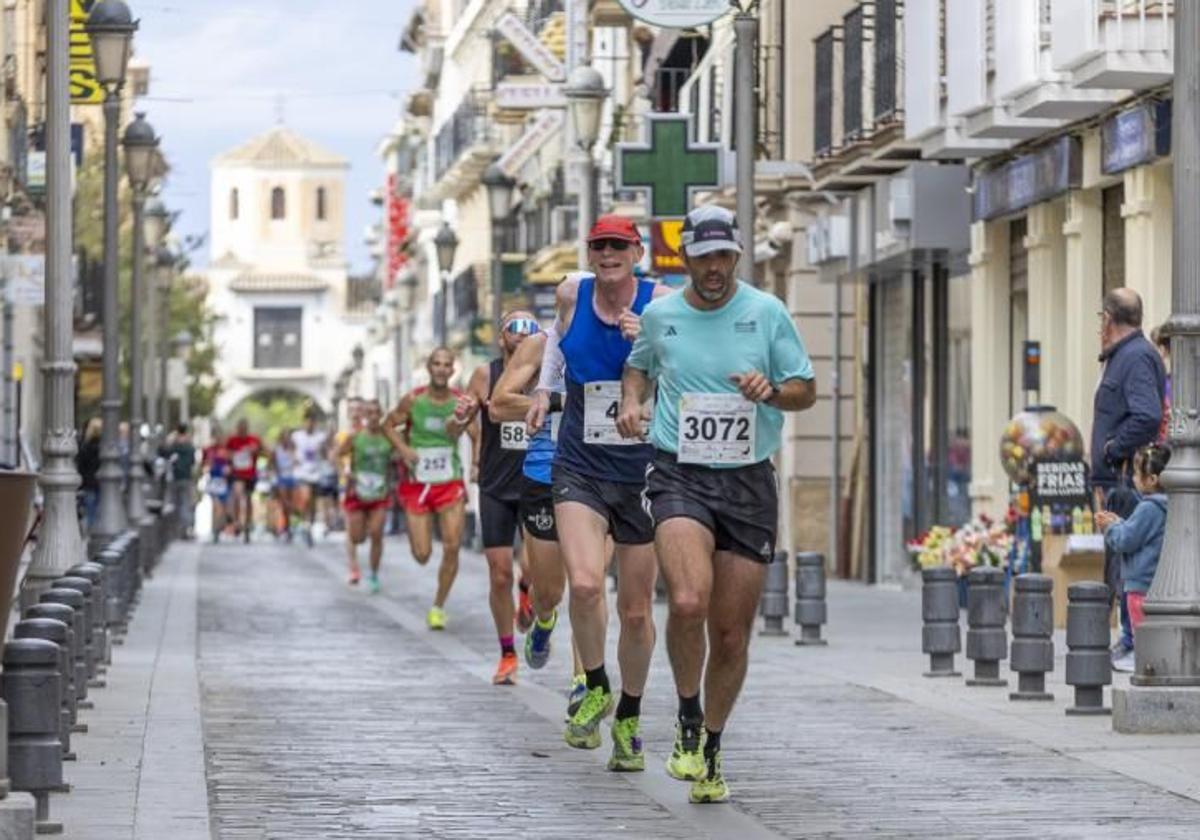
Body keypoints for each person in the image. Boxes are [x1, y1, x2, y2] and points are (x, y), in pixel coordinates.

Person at [620, 204, 816, 803]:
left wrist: (772, 392)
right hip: (679, 472)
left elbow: (805, 390)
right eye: (702, 257)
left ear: (736, 255)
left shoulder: (765, 312)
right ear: (686, 258)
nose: (714, 268)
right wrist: (632, 403)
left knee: (730, 634)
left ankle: (710, 745)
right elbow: (637, 369)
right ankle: (684, 715)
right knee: (685, 599)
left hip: (748, 480)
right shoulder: (660, 316)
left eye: (723, 256)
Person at [547, 214, 672, 768]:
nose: (608, 253)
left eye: (619, 245)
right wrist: (542, 393)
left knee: (638, 610)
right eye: (599, 245)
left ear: (637, 250)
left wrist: (652, 343)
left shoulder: (663, 302)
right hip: (580, 464)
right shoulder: (571, 294)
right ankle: (595, 682)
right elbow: (555, 347)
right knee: (584, 584)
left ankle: (629, 716)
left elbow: (688, 374)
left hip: (643, 472)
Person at [490, 322, 589, 717]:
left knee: (588, 583)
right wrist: (560, 402)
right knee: (550, 591)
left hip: (600, 473)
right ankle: (544, 618)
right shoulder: (541, 344)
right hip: (545, 471)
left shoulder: (629, 333)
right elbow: (498, 405)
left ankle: (586, 679)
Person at [455, 311, 541, 685]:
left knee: (535, 568)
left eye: (530, 329)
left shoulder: (547, 375)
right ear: (502, 337)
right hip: (495, 483)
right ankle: (507, 654)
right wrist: (462, 419)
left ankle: (528, 592)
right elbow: (458, 423)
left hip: (538, 481)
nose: (523, 336)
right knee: (498, 572)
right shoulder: (485, 375)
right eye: (515, 329)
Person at [1092, 288, 1167, 665]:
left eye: (1100, 319)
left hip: (1125, 480)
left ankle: (1130, 641)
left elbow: (1147, 416)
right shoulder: (1127, 356)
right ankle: (1127, 639)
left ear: (1108, 319)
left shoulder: (1135, 357)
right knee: (1122, 560)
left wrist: (1112, 449)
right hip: (1119, 479)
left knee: (1128, 561)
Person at [384, 348, 473, 630]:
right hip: (418, 484)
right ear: (428, 367)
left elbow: (475, 433)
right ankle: (426, 544)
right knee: (422, 555)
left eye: (447, 365)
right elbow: (387, 424)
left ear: (453, 370)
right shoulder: (413, 400)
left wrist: (477, 463)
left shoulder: (461, 401)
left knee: (453, 545)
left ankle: (438, 606)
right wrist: (403, 447)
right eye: (437, 363)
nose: (441, 369)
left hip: (450, 481)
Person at [1096, 443, 1171, 673]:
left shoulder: (1148, 508)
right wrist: (1120, 522)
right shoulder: (1168, 506)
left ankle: (1142, 665)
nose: (1134, 479)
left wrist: (1109, 528)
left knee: (1140, 633)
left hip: (1139, 584)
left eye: (1138, 474)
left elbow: (1127, 540)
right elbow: (1137, 533)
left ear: (1151, 479)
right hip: (1156, 582)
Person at [337, 400, 397, 592]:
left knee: (377, 533)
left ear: (380, 415)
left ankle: (373, 574)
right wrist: (345, 471)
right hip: (358, 493)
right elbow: (337, 455)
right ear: (363, 416)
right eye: (368, 413)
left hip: (379, 493)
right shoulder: (355, 437)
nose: (372, 417)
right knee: (357, 537)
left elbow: (397, 456)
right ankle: (356, 561)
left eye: (375, 413)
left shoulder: (388, 438)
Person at [293, 411, 328, 547]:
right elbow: (290, 449)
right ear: (304, 423)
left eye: (312, 422)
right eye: (307, 422)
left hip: (316, 473)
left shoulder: (320, 437)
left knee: (313, 503)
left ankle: (309, 525)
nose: (310, 424)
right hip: (302, 473)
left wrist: (323, 451)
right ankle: (304, 522)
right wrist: (293, 458)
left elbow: (325, 453)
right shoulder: (296, 436)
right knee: (305, 498)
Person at [226, 419, 262, 543]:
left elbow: (263, 451)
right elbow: (226, 453)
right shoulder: (232, 440)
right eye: (240, 428)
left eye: (244, 428)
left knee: (248, 499)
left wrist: (255, 450)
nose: (242, 430)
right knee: (237, 494)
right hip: (237, 474)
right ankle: (237, 521)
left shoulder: (254, 439)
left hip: (250, 474)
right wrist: (232, 455)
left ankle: (247, 524)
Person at [168, 423, 197, 539]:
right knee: (185, 503)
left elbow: (164, 452)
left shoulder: (174, 444)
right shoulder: (189, 445)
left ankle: (178, 529)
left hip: (175, 477)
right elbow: (192, 461)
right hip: (186, 477)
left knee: (176, 503)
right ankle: (185, 529)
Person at [202, 429, 232, 543]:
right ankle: (215, 530)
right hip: (213, 480)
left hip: (223, 481)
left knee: (222, 507)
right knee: (215, 506)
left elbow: (231, 465)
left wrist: (228, 470)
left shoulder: (227, 451)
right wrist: (207, 466)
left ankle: (219, 527)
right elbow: (204, 464)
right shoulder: (208, 450)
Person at [272, 428, 300, 540]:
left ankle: (288, 526)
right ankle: (284, 527)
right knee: (284, 504)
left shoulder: (293, 449)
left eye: (288, 437)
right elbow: (273, 464)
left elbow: (297, 462)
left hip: (292, 477)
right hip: (281, 478)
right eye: (284, 437)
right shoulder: (277, 450)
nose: (286, 439)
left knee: (290, 504)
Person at [77, 417, 102, 534]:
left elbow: (81, 466)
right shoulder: (103, 447)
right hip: (100, 483)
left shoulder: (85, 447)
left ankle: (90, 532)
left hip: (89, 483)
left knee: (90, 510)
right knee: (97, 509)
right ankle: (94, 529)